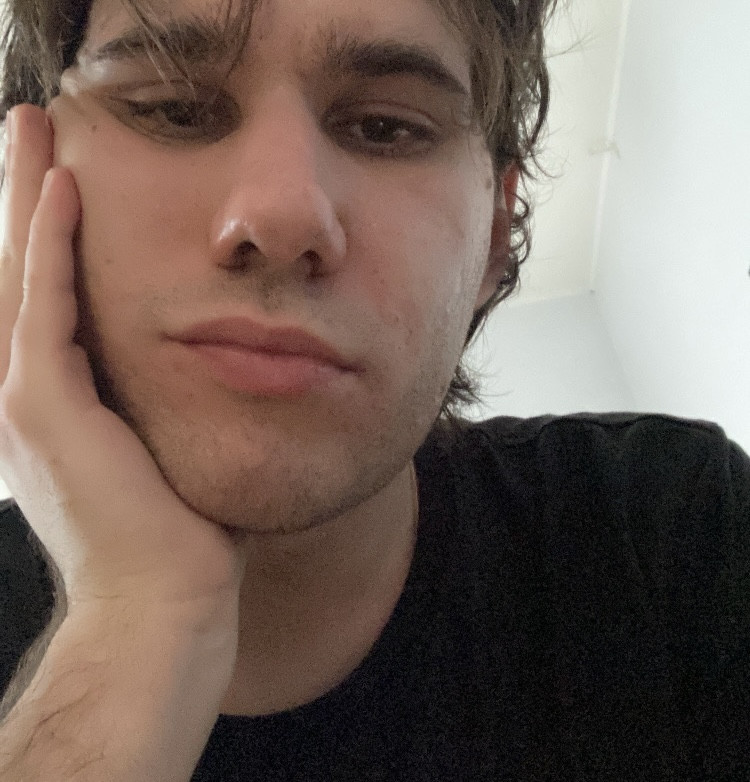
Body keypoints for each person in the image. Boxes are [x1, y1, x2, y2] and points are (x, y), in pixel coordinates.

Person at [0, 0, 748, 779]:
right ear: (28, 180)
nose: (282, 216)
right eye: (174, 110)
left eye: (386, 128)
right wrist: (135, 618)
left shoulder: (674, 535)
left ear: (494, 237)